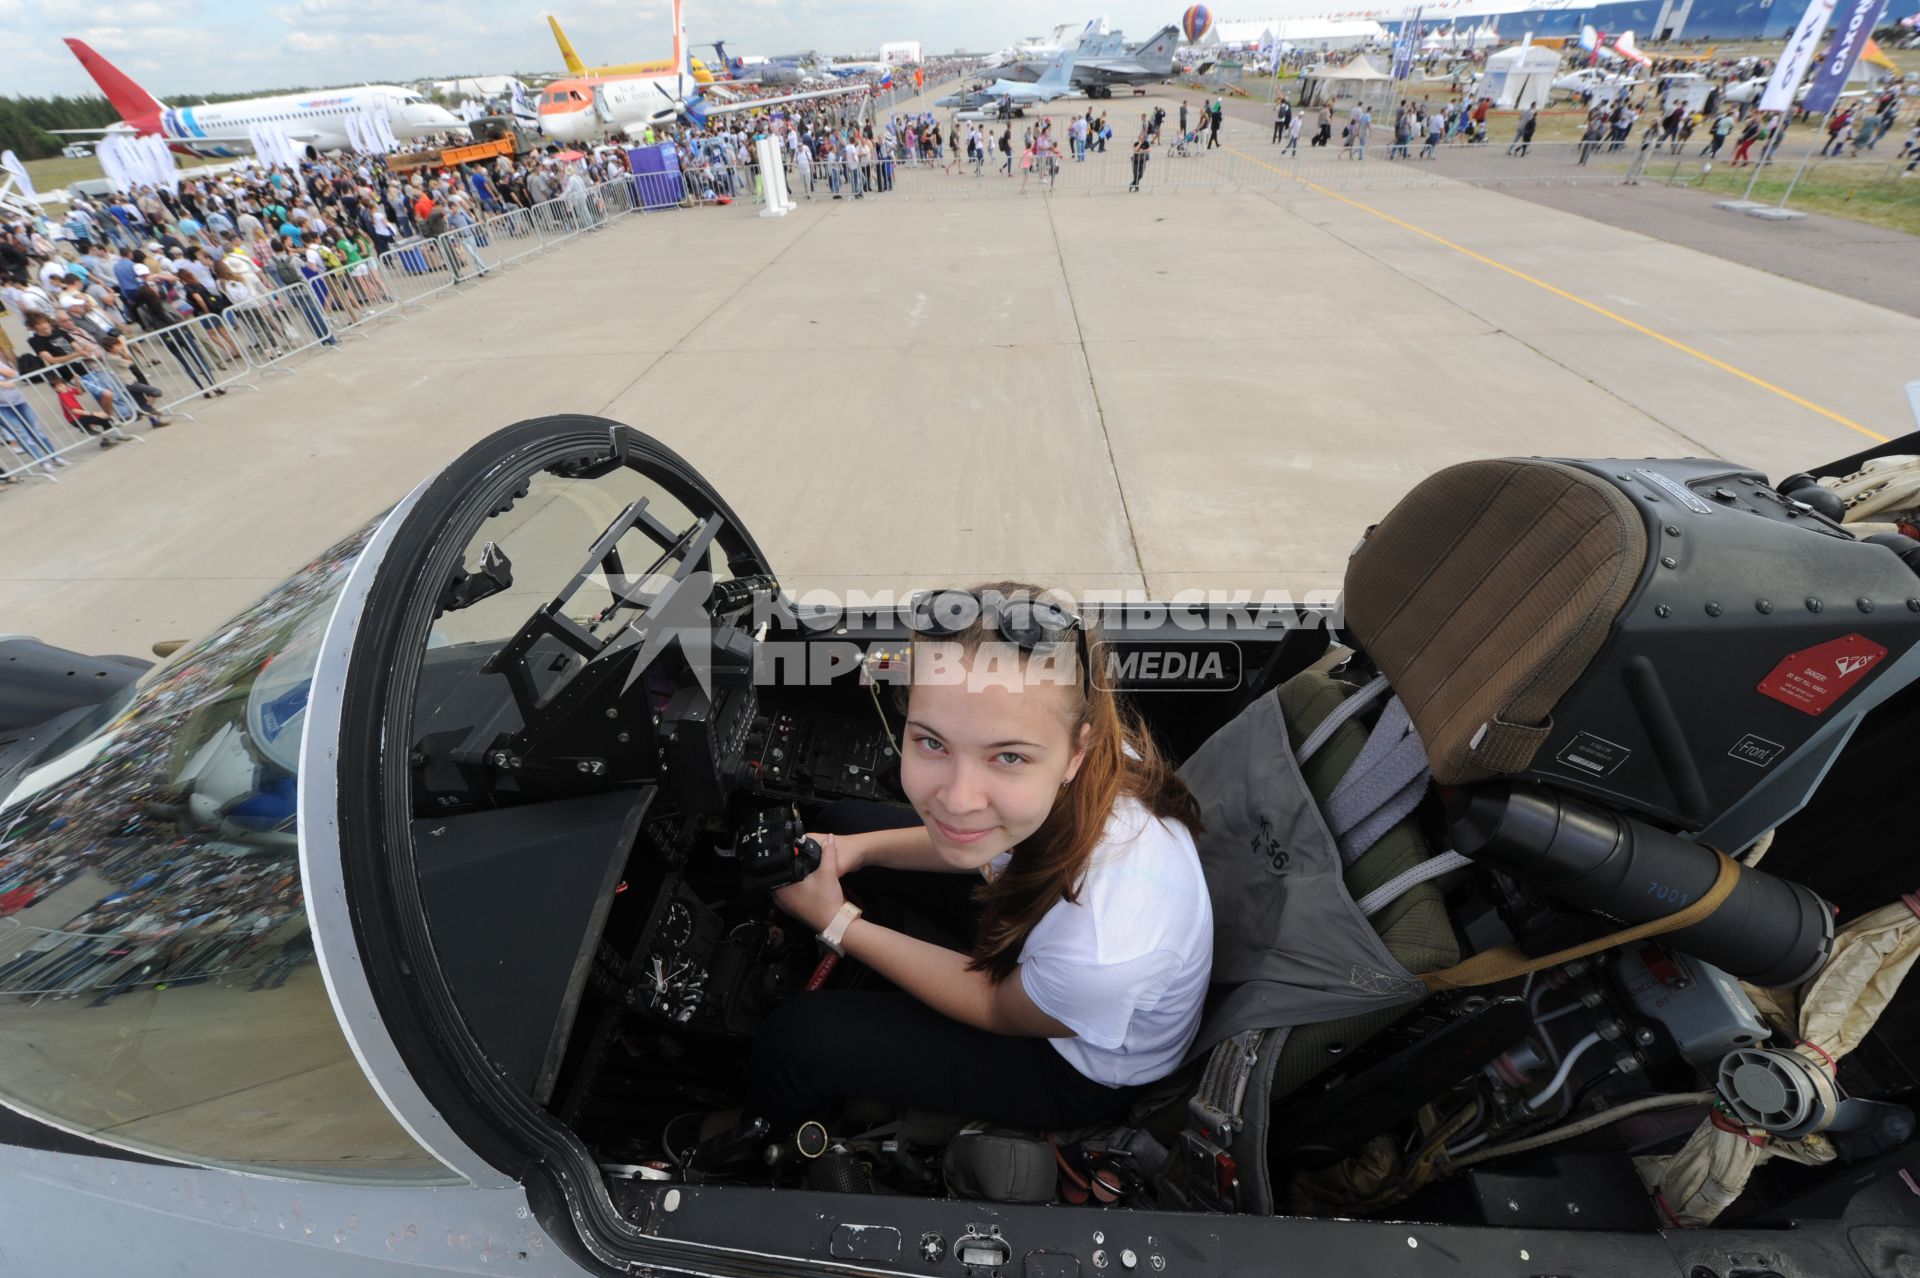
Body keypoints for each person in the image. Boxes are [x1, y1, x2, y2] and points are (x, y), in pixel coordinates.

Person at [735, 587, 1211, 1139]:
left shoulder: (1106, 944)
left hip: (1070, 1064)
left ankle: (750, 1144)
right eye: (931, 743)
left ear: (1075, 753)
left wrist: (837, 922)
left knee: (797, 1039)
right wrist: (856, 851)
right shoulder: (1065, 766)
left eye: (1007, 757)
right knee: (844, 821)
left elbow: (994, 1004)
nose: (958, 799)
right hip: (1037, 929)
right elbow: (981, 845)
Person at [1130, 126, 1150, 191]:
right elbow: (1135, 150)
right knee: (1135, 174)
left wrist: (1143, 151)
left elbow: (1149, 150)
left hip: (1142, 161)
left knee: (1141, 174)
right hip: (1135, 161)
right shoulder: (1136, 143)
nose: (1141, 138)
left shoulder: (1146, 143)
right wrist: (1140, 144)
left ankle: (1133, 183)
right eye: (1140, 137)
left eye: (1142, 137)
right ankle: (1136, 187)